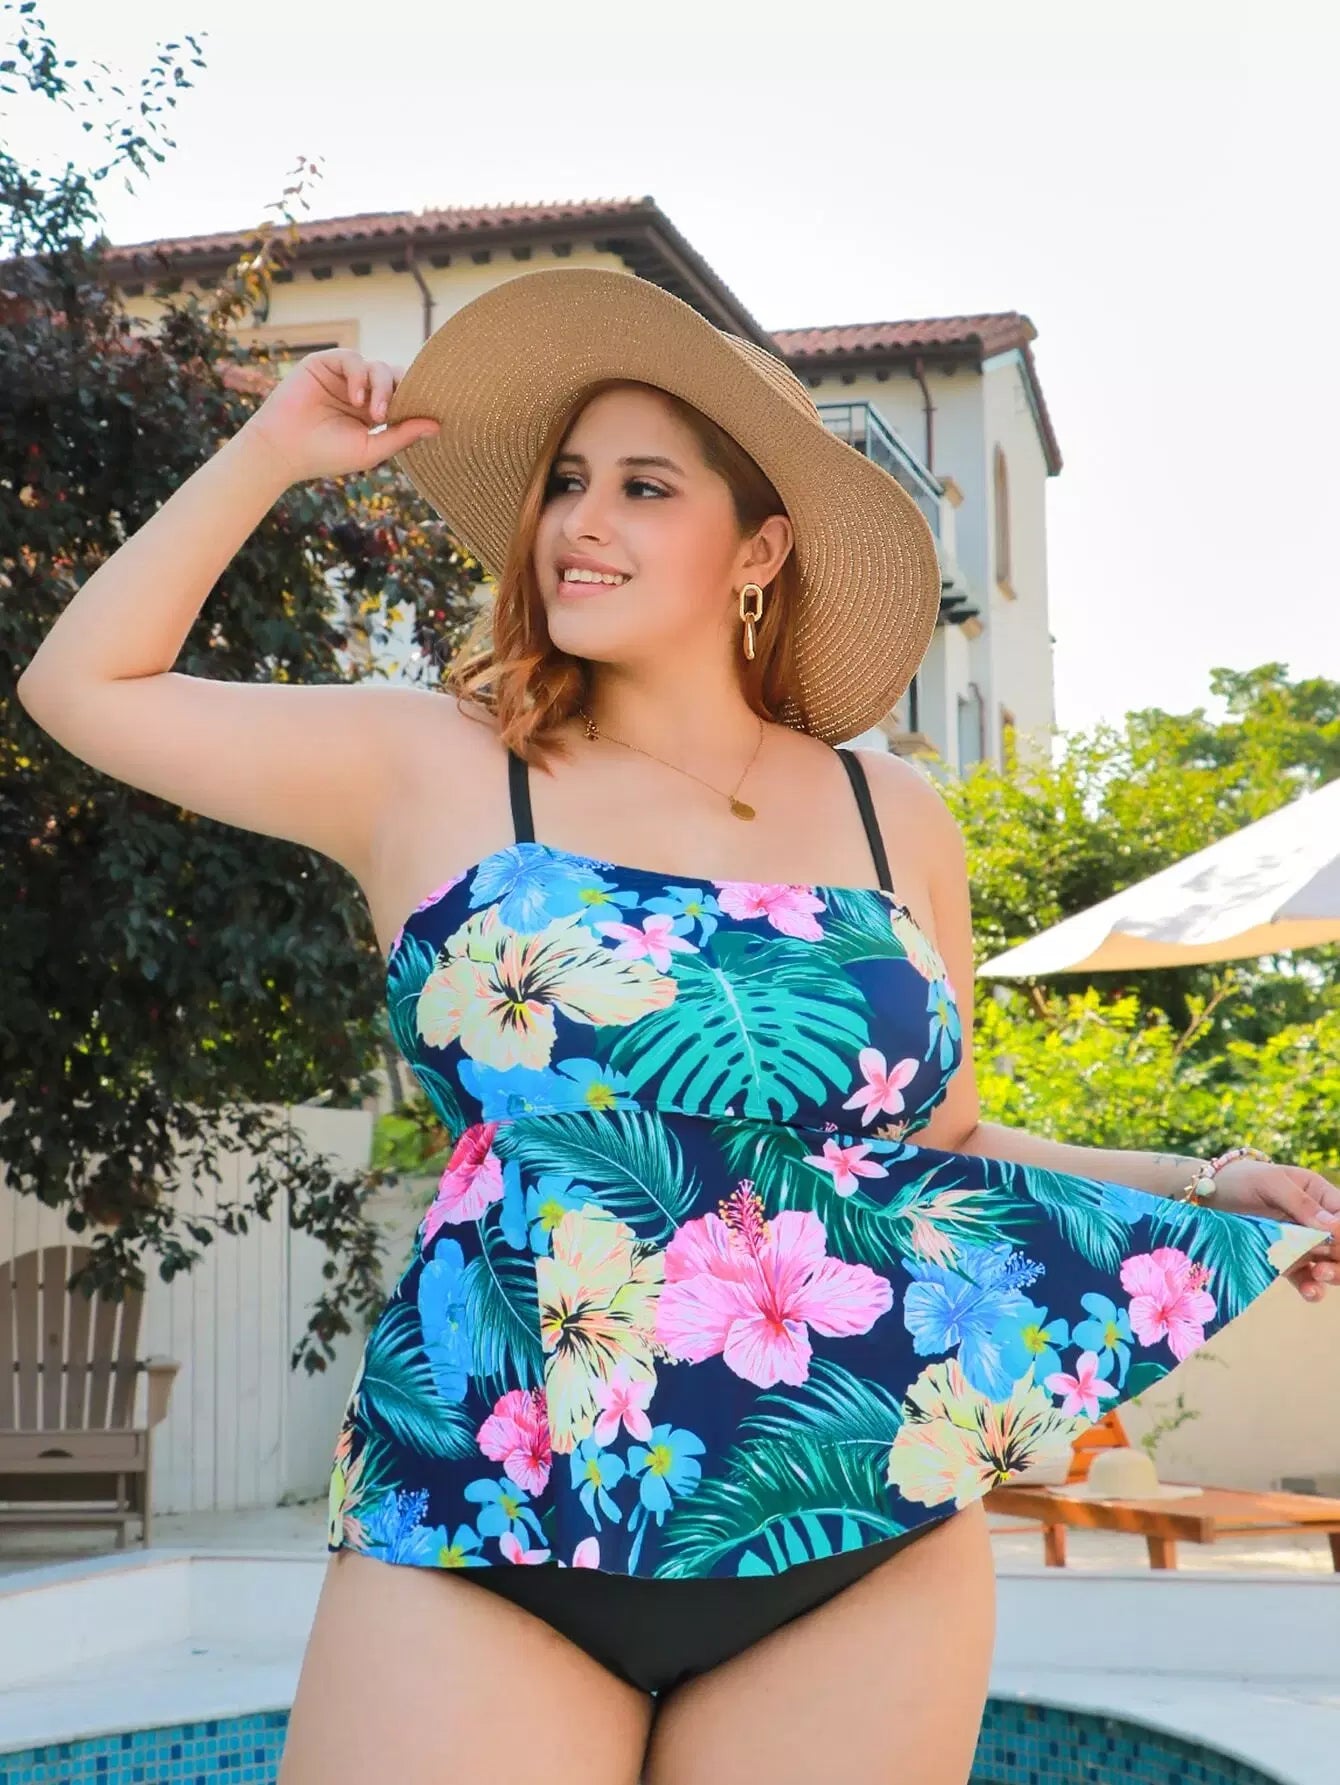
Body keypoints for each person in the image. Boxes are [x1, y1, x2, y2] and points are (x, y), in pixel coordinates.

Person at [17, 267, 1336, 1785]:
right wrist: (268, 452)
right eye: (566, 484)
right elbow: (81, 685)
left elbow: (942, 1145)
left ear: (758, 548)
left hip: (857, 1515)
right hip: (485, 1515)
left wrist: (1204, 1183)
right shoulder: (427, 760)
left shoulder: (890, 812)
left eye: (645, 487)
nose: (581, 521)